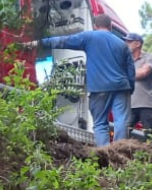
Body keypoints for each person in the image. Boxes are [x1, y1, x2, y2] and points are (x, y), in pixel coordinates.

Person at [36, 13, 136, 144]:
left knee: (100, 124)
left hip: (99, 88)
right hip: (122, 87)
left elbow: (63, 41)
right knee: (121, 121)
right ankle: (121, 149)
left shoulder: (89, 37)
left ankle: (106, 153)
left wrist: (40, 43)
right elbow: (131, 71)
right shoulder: (122, 44)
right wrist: (130, 89)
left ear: (95, 26)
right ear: (110, 26)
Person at [126, 34, 152, 133]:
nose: (126, 44)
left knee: (149, 134)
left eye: (129, 41)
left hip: (146, 103)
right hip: (130, 104)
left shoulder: (149, 57)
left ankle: (151, 149)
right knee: (123, 132)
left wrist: (125, 75)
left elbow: (144, 73)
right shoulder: (126, 60)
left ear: (138, 44)